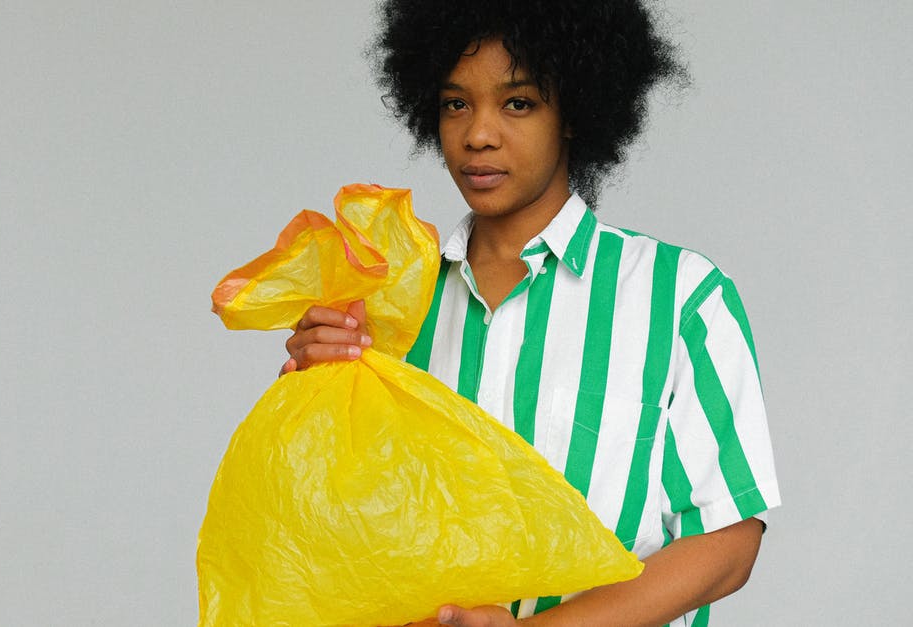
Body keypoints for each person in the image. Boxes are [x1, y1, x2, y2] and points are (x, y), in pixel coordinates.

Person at [280, 1, 781, 625]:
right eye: (455, 103)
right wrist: (304, 396)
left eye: (517, 103)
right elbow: (332, 530)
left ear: (574, 111)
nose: (477, 134)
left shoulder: (679, 297)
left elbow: (727, 543)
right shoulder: (386, 307)